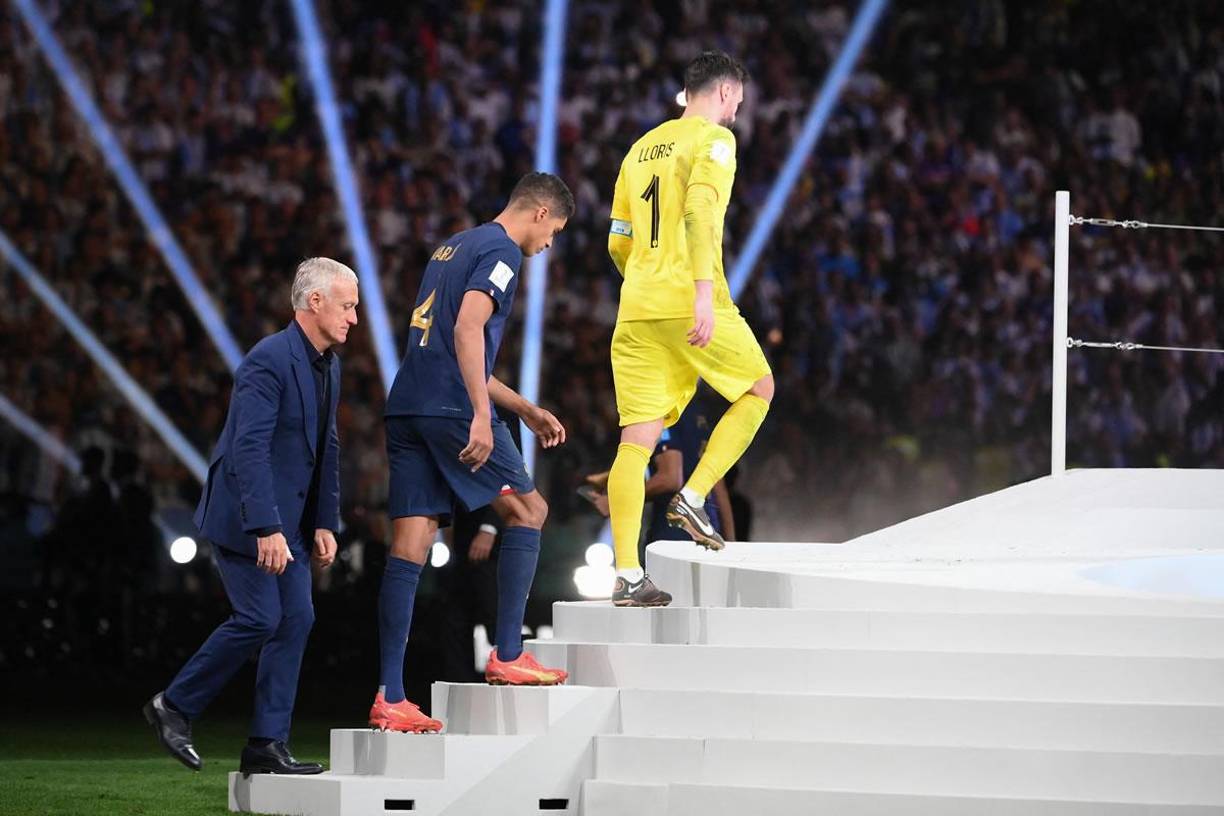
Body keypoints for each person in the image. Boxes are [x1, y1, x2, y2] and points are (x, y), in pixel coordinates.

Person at [372, 173, 574, 734]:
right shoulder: (504, 252)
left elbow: (448, 343)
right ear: (538, 213)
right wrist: (484, 415)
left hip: (408, 405)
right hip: (452, 410)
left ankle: (390, 694)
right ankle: (508, 653)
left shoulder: (453, 245)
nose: (549, 244)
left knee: (410, 547)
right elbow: (467, 328)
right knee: (530, 512)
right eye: (554, 231)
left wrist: (525, 408)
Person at [143, 258, 357, 775]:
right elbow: (248, 448)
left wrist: (325, 520)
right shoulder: (268, 359)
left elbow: (326, 446)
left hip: (293, 522)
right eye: (348, 306)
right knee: (261, 618)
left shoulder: (330, 364)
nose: (354, 318)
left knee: (298, 618)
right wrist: (267, 527)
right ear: (315, 302)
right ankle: (172, 706)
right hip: (248, 517)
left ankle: (265, 745)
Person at [604, 50, 774, 606]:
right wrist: (700, 294)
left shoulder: (638, 150)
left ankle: (628, 575)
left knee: (636, 445)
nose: (735, 116)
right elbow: (701, 212)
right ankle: (694, 496)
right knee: (757, 389)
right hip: (690, 300)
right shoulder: (715, 141)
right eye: (738, 105)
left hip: (636, 310)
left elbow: (618, 242)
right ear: (725, 94)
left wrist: (646, 283)